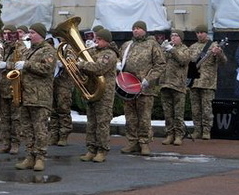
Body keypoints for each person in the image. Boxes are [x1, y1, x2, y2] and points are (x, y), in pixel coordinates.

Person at [118, 20, 166, 155]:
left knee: (144, 117)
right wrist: (118, 65)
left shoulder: (152, 45)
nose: (136, 30)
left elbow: (161, 64)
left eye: (139, 28)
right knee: (130, 117)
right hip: (128, 88)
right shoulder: (127, 45)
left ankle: (144, 143)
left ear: (145, 30)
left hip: (145, 88)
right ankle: (132, 142)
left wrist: (149, 79)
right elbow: (118, 58)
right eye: (134, 28)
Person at [12, 23, 55, 171]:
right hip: (26, 96)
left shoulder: (48, 50)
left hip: (40, 97)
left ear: (41, 35)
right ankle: (29, 156)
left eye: (33, 32)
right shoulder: (29, 50)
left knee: (40, 129)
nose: (29, 35)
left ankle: (40, 158)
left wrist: (26, 64)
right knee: (27, 129)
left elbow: (46, 68)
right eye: (29, 32)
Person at [76, 29, 118, 162]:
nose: (96, 41)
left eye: (99, 39)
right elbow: (86, 64)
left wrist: (82, 64)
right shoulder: (94, 51)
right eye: (96, 39)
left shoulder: (109, 54)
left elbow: (99, 68)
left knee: (102, 123)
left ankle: (102, 150)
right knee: (91, 122)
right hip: (92, 90)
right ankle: (91, 149)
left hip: (104, 93)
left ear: (106, 41)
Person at [188, 24, 227, 140]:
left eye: (202, 32)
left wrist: (219, 53)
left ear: (206, 33)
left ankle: (206, 131)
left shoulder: (213, 46)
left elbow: (223, 62)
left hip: (207, 83)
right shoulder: (192, 47)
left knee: (206, 109)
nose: (200, 35)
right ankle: (197, 130)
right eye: (198, 33)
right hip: (194, 82)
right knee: (195, 109)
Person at [0, 25, 22, 155]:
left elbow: (21, 64)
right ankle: (6, 143)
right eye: (4, 33)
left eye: (8, 33)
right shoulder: (3, 48)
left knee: (15, 118)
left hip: (14, 87)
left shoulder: (20, 47)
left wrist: (7, 65)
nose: (5, 35)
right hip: (3, 87)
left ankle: (15, 143)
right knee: (4, 118)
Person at [159, 30, 190, 146]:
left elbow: (184, 60)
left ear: (181, 38)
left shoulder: (185, 49)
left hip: (178, 85)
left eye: (176, 36)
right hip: (165, 83)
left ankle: (178, 135)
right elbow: (158, 61)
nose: (174, 37)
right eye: (172, 35)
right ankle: (170, 134)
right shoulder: (166, 49)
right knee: (167, 113)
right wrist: (162, 49)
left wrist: (172, 50)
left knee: (178, 113)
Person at [49, 32, 74, 147]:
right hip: (54, 81)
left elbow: (73, 62)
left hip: (65, 82)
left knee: (63, 108)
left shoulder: (70, 47)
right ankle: (54, 134)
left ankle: (64, 134)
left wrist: (63, 63)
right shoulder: (56, 45)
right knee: (53, 109)